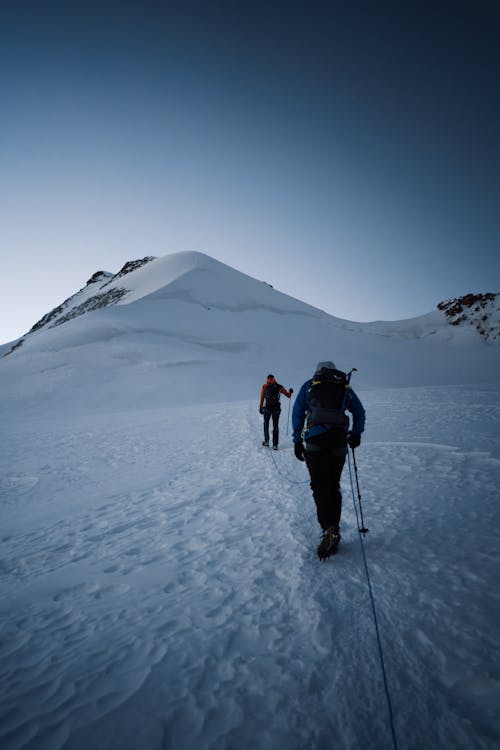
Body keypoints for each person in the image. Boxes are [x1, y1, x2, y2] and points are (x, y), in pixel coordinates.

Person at [292, 361, 365, 559]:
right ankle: (335, 527)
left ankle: (328, 528)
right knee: (333, 485)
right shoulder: (343, 386)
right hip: (339, 441)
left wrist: (296, 440)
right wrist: (356, 434)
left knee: (319, 485)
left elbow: (298, 412)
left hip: (315, 440)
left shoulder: (309, 385)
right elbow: (359, 411)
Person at [259, 374, 293, 450]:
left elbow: (262, 397)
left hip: (267, 408)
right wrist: (290, 392)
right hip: (276, 409)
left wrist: (261, 407)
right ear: (274, 379)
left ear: (267, 379)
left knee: (266, 424)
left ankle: (267, 441)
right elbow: (288, 396)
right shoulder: (279, 386)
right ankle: (275, 444)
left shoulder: (265, 386)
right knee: (276, 425)